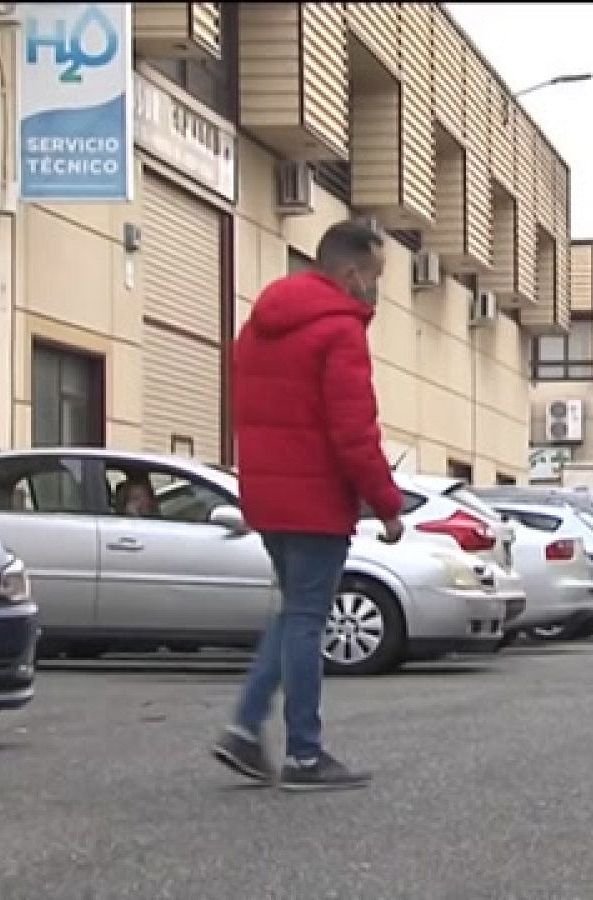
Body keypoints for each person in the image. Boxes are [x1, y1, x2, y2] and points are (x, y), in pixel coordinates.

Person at [211, 219, 406, 792]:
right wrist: (387, 504)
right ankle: (302, 753)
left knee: (296, 613)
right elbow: (353, 429)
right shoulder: (339, 331)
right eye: (375, 276)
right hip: (316, 500)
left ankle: (245, 731)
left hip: (269, 497)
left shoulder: (259, 325)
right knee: (306, 619)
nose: (377, 289)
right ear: (350, 274)